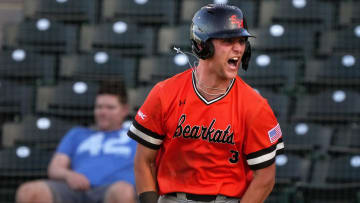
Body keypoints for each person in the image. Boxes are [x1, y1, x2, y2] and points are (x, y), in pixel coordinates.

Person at [128, 4, 285, 203]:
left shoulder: (255, 106)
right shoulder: (164, 93)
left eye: (242, 41)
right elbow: (144, 161)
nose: (238, 48)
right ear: (203, 45)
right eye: (228, 41)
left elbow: (265, 178)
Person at [16, 80, 137, 203]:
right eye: (99, 107)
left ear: (125, 110)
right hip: (75, 190)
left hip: (111, 190)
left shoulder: (136, 137)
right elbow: (55, 168)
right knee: (29, 192)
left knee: (123, 192)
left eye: (110, 108)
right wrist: (69, 175)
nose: (102, 112)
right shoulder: (77, 134)